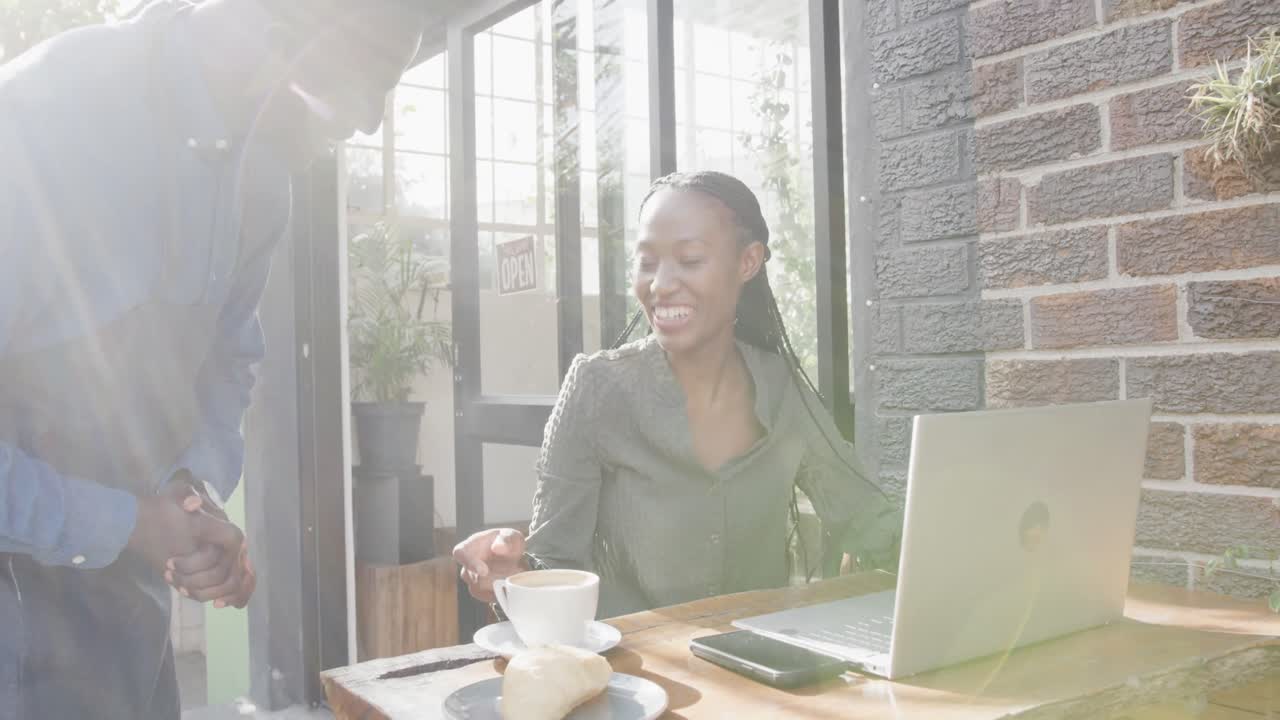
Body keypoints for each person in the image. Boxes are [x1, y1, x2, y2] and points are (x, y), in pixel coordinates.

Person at [0, 0, 424, 717]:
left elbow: (230, 362)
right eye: (363, 76)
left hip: (124, 605)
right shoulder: (44, 121)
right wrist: (130, 523)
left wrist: (189, 498)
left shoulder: (262, 178)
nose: (369, 121)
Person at [455, 171, 902, 619]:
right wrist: (509, 573)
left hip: (758, 673)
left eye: (689, 259)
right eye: (647, 262)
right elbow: (553, 562)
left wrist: (938, 543)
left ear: (748, 262)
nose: (661, 284)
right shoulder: (596, 390)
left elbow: (867, 521)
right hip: (633, 676)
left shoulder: (782, 389)